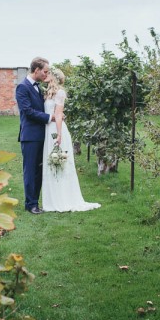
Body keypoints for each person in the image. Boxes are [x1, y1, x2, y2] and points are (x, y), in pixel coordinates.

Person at [42, 68, 101, 212]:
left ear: (54, 77)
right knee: (51, 163)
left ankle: (63, 198)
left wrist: (59, 134)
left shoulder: (60, 93)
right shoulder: (48, 93)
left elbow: (59, 114)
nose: (45, 74)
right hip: (48, 129)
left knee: (59, 163)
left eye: (48, 73)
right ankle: (52, 198)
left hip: (56, 130)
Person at [16, 57, 53, 214]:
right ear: (36, 70)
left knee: (38, 171)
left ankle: (35, 202)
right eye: (45, 71)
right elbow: (28, 111)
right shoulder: (22, 87)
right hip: (30, 137)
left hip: (41, 135)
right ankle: (30, 204)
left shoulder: (38, 88)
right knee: (30, 171)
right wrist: (50, 118)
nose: (46, 74)